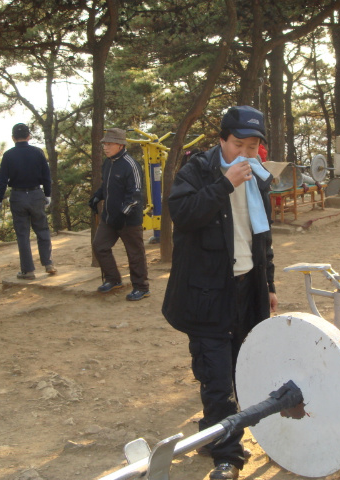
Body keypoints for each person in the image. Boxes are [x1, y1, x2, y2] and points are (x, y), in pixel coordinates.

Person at [162, 105, 278, 480]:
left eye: (254, 146)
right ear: (222, 141)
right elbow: (183, 214)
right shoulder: (197, 171)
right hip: (207, 293)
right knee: (217, 378)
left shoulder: (259, 178)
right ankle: (226, 457)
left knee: (242, 370)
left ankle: (213, 435)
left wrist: (270, 284)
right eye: (239, 144)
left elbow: (264, 238)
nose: (247, 153)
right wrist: (225, 183)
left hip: (248, 288)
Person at [89, 128, 150, 300]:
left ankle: (142, 287)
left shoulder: (131, 165)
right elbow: (105, 185)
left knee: (135, 254)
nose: (105, 147)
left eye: (109, 144)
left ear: (120, 145)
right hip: (109, 217)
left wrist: (122, 214)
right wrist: (96, 197)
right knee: (99, 245)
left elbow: (136, 194)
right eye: (104, 144)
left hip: (129, 220)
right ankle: (113, 279)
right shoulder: (108, 163)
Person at [0, 123, 56, 280]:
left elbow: (2, 180)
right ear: (29, 136)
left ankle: (28, 271)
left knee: (23, 234)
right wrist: (48, 194)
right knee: (42, 229)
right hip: (36, 194)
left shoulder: (8, 155)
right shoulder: (37, 153)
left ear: (13, 138)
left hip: (18, 196)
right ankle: (48, 263)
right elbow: (46, 175)